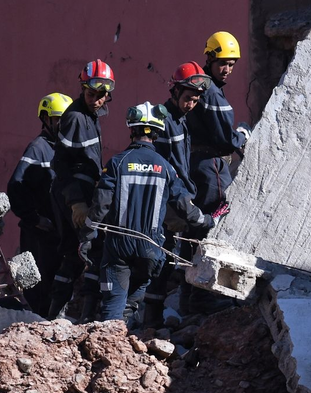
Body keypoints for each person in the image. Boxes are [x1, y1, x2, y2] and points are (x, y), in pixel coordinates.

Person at [83, 103, 218, 325]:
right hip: (150, 249)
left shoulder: (118, 163)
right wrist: (207, 221)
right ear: (157, 133)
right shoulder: (166, 167)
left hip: (119, 246)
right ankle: (126, 339)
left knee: (113, 304)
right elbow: (186, 207)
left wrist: (86, 237)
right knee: (133, 300)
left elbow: (100, 206)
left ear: (131, 130)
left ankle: (109, 346)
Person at [183, 31, 250, 313]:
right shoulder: (210, 91)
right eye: (222, 62)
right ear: (209, 59)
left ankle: (189, 296)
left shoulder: (207, 89)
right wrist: (241, 139)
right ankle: (200, 296)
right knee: (211, 223)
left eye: (232, 64)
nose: (227, 69)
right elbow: (224, 136)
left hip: (198, 163)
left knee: (195, 228)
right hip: (210, 166)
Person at [145, 62, 212, 326]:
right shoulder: (164, 122)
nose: (191, 104)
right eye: (187, 99)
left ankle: (155, 316)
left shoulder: (180, 120)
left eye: (195, 100)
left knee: (168, 259)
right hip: (167, 203)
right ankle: (149, 319)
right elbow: (166, 169)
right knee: (160, 259)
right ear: (174, 92)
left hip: (178, 198)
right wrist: (180, 203)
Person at [48, 59, 115, 321]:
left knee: (72, 254)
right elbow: (61, 163)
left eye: (101, 96)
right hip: (72, 194)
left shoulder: (90, 115)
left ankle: (55, 314)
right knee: (91, 249)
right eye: (91, 94)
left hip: (77, 191)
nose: (97, 100)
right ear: (82, 88)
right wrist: (77, 202)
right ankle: (85, 316)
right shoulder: (76, 117)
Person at [6, 92, 72, 314]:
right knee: (39, 289)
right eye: (59, 119)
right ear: (46, 119)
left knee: (56, 285)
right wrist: (33, 218)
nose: (63, 125)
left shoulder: (64, 149)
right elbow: (16, 185)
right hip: (40, 235)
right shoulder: (38, 148)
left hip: (58, 233)